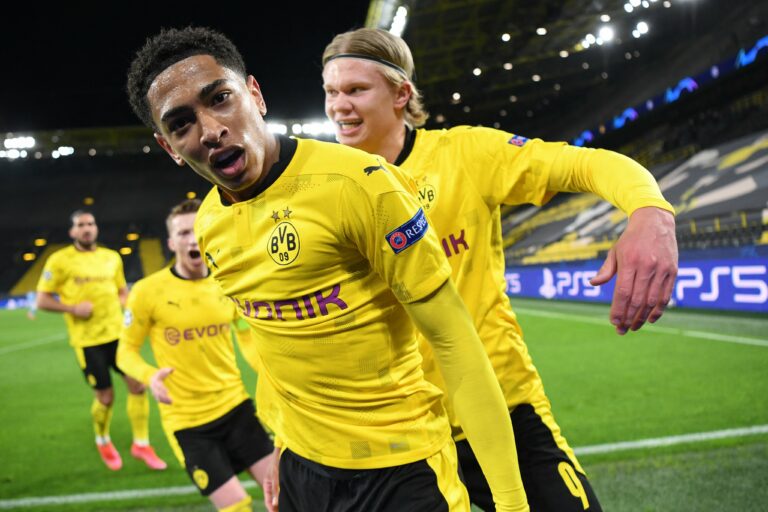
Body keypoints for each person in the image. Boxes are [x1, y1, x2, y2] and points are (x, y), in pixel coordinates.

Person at [127, 26, 530, 512]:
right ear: (169, 146)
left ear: (255, 94)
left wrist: (510, 501)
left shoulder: (363, 186)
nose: (211, 129)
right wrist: (281, 441)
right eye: (181, 123)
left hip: (403, 473)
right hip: (303, 475)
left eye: (220, 98)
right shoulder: (210, 224)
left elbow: (455, 341)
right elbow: (274, 346)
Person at [320, 28, 678, 512]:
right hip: (406, 439)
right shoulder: (323, 188)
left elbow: (582, 165)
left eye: (356, 90)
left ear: (402, 93)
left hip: (508, 412)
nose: (339, 105)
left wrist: (649, 212)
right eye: (331, 92)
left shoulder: (465, 155)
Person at [117, 199, 274, 512]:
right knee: (237, 507)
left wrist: (271, 372)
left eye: (197, 230)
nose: (192, 239)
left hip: (236, 407)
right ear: (171, 242)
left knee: (283, 497)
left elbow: (244, 333)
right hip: (188, 423)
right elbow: (126, 351)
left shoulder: (227, 282)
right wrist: (149, 376)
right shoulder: (147, 292)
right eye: (183, 232)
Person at [36, 210, 166, 471]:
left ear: (96, 228)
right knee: (105, 397)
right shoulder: (59, 260)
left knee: (137, 386)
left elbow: (121, 292)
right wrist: (73, 309)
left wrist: (132, 308)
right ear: (72, 232)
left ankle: (141, 444)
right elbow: (42, 300)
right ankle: (102, 438)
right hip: (88, 341)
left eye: (91, 224)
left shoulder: (111, 258)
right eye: (81, 225)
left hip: (119, 336)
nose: (87, 229)